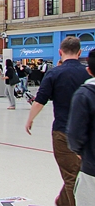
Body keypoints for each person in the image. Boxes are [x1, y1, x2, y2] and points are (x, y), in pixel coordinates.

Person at [26, 36, 89, 206]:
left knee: (71, 176)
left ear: (60, 52)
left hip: (63, 131)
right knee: (77, 172)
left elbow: (39, 101)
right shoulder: (87, 73)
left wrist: (30, 120)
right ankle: (61, 202)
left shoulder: (54, 73)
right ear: (80, 52)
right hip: (87, 133)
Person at [67, 49, 95, 205]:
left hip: (92, 167)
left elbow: (75, 133)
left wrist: (78, 150)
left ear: (89, 70)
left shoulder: (85, 94)